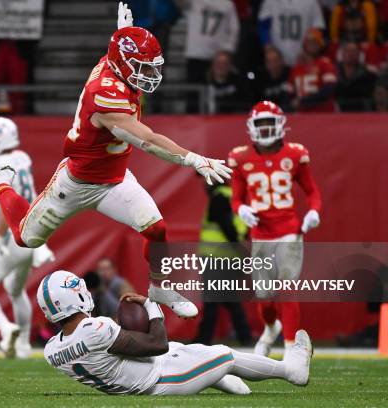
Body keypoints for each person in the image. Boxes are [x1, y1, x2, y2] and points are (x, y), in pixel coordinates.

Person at [0, 3, 232, 319]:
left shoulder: (114, 64)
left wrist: (121, 31)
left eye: (152, 67)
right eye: (143, 67)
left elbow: (115, 54)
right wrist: (193, 159)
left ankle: (159, 287)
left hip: (116, 179)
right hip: (77, 183)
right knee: (25, 237)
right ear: (122, 65)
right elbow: (147, 140)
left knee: (157, 229)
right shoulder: (105, 94)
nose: (150, 75)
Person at [39, 270, 312, 396]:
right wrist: (151, 306)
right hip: (162, 381)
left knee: (181, 347)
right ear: (74, 297)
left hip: (139, 377)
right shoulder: (95, 329)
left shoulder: (52, 350)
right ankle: (291, 371)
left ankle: (227, 383)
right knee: (224, 355)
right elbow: (157, 343)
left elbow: (115, 347)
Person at [228, 101, 322, 358]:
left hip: (290, 230)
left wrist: (313, 211)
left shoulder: (294, 154)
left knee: (288, 287)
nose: (267, 129)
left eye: (270, 123)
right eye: (261, 124)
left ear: (281, 125)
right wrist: (241, 210)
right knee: (265, 299)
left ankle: (292, 349)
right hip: (261, 233)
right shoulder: (240, 157)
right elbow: (236, 198)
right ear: (252, 127)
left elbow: (312, 191)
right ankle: (271, 328)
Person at [0, 117, 55, 359]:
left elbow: (3, 206)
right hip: (33, 234)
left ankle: (7, 329)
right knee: (15, 290)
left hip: (13, 236)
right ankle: (24, 347)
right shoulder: (22, 157)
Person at [196, 182, 252, 346]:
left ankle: (203, 340)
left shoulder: (220, 197)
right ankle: (245, 336)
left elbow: (226, 225)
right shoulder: (235, 197)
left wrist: (239, 246)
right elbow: (243, 228)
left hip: (217, 257)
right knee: (229, 298)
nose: (205, 186)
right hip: (230, 258)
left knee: (212, 301)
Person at [182, 0, 240, 87]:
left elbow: (234, 29)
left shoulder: (228, 4)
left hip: (218, 56)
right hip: (196, 54)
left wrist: (227, 50)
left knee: (218, 90)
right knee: (194, 92)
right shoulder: (194, 2)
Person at [258, 0, 325, 66]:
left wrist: (309, 52)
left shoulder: (311, 2)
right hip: (278, 59)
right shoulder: (270, 2)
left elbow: (317, 28)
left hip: (303, 57)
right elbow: (264, 26)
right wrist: (269, 47)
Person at [288, 29, 338, 112]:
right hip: (302, 115)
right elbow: (289, 94)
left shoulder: (325, 63)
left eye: (315, 42)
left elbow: (329, 89)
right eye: (309, 42)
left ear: (320, 45)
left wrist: (304, 101)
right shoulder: (296, 68)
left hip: (323, 113)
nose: (312, 45)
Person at [336, 41, 377, 111]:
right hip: (336, 111)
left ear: (359, 54)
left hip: (360, 112)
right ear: (342, 53)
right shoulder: (334, 71)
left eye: (354, 51)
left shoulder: (367, 73)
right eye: (347, 50)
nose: (351, 54)